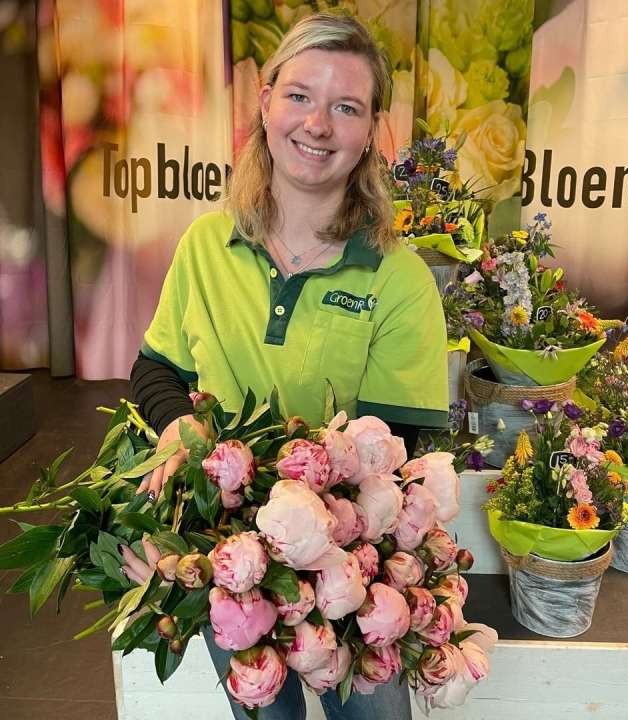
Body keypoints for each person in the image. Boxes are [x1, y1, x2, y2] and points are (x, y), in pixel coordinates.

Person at [129, 13, 448, 720]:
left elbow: (396, 445)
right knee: (266, 714)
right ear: (265, 101)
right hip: (227, 556)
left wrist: (301, 528)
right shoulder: (207, 244)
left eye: (346, 107)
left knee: (375, 714)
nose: (319, 125)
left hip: (346, 560)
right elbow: (155, 368)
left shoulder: (397, 280)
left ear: (371, 131)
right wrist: (180, 432)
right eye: (300, 96)